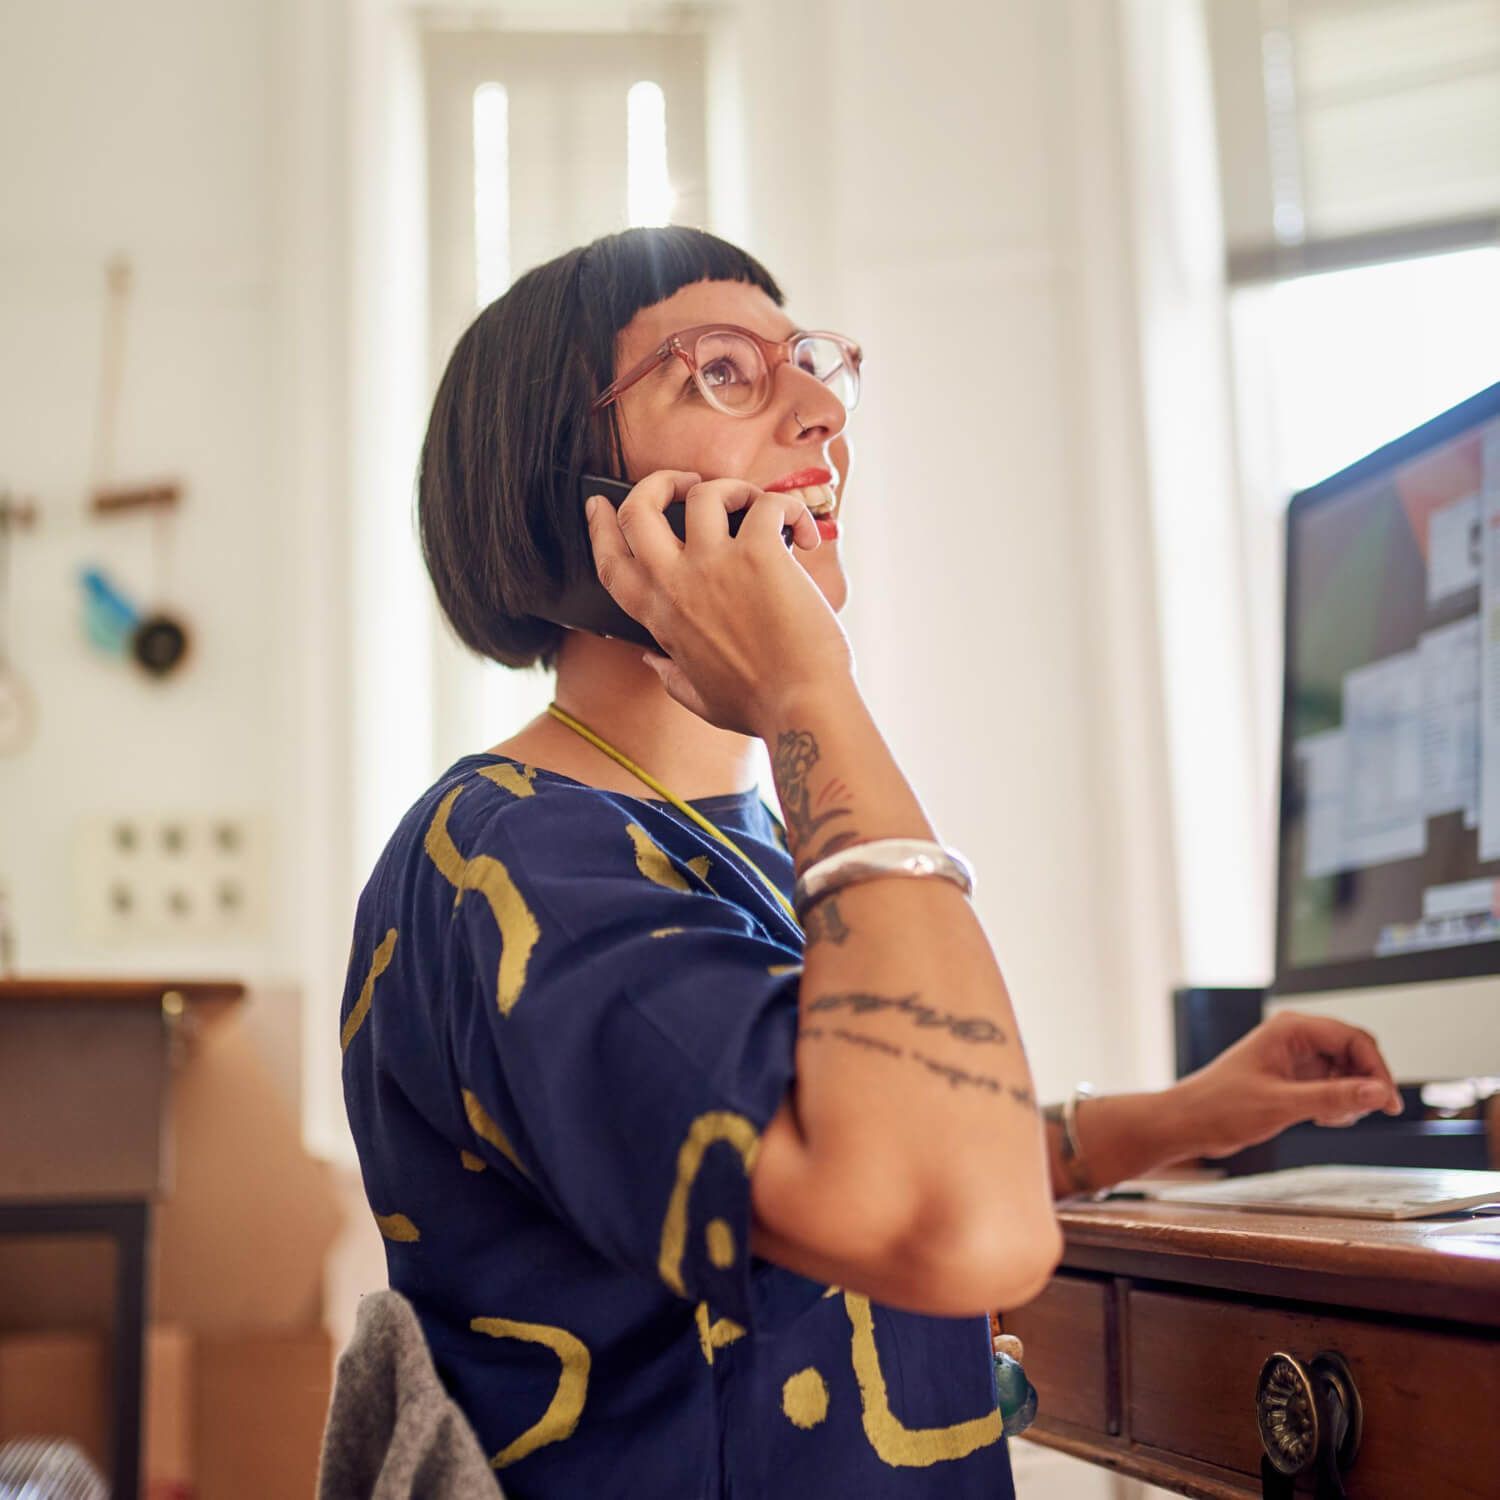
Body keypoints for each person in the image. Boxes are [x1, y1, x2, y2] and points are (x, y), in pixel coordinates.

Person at [338, 225, 1403, 1499]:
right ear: (564, 482)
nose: (822, 413)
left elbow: (847, 1124)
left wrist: (1181, 1119)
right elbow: (945, 1210)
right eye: (722, 372)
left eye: (810, 364)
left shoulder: (732, 832)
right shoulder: (510, 859)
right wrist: (808, 689)